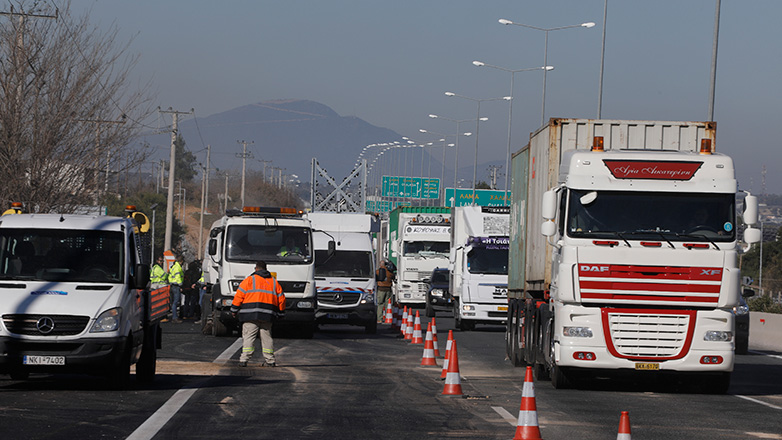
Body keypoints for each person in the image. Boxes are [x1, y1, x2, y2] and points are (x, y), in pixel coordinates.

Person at [231, 261, 286, 367]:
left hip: (250, 315)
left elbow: (239, 296)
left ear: (256, 269)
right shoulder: (274, 282)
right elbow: (281, 299)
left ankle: (244, 359)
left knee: (249, 337)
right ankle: (270, 360)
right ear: (266, 269)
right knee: (267, 338)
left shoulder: (249, 280)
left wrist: (234, 310)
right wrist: (281, 313)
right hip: (267, 315)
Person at [168, 254, 185, 323]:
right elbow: (178, 277)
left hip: (172, 285)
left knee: (174, 302)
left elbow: (170, 276)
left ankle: (175, 317)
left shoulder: (173, 267)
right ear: (181, 261)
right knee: (176, 302)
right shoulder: (178, 268)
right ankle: (175, 317)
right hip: (176, 286)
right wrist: (181, 285)